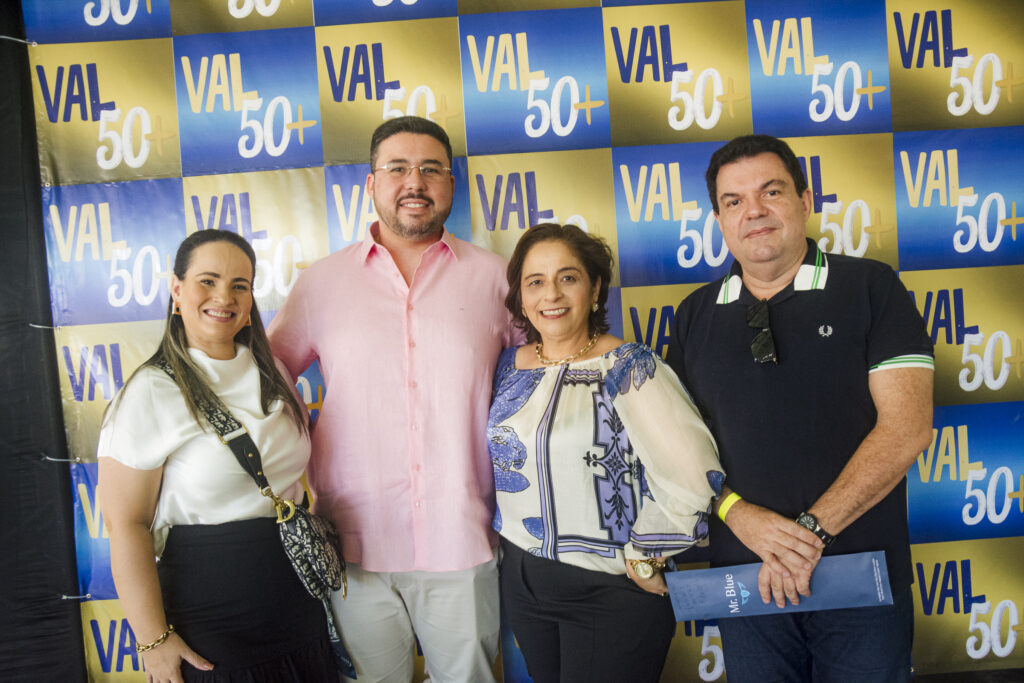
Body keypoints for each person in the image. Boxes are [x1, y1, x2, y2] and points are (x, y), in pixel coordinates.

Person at [665, 134, 935, 682]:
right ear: (719, 219)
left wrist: (808, 535)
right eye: (734, 201)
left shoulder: (870, 286)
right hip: (747, 578)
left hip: (861, 577)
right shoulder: (693, 315)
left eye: (772, 192)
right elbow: (676, 453)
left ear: (805, 201)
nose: (754, 212)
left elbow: (907, 430)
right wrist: (742, 518)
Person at [268, 116, 517, 683]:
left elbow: (545, 373)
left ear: (451, 184)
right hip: (353, 546)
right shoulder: (321, 283)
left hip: (464, 535)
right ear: (371, 183)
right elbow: (267, 377)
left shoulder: (498, 279)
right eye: (398, 168)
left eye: (431, 169)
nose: (415, 182)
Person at [98, 229, 336, 683]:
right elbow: (125, 526)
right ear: (177, 290)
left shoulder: (274, 373)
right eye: (207, 281)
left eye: (239, 285)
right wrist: (153, 640)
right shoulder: (151, 391)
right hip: (211, 621)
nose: (223, 296)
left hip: (298, 606)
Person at [491, 223, 723, 683]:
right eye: (535, 282)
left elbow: (696, 474)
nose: (551, 294)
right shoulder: (506, 365)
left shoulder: (630, 366)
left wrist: (644, 553)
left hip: (609, 590)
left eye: (568, 277)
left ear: (594, 288)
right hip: (522, 581)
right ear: (520, 296)